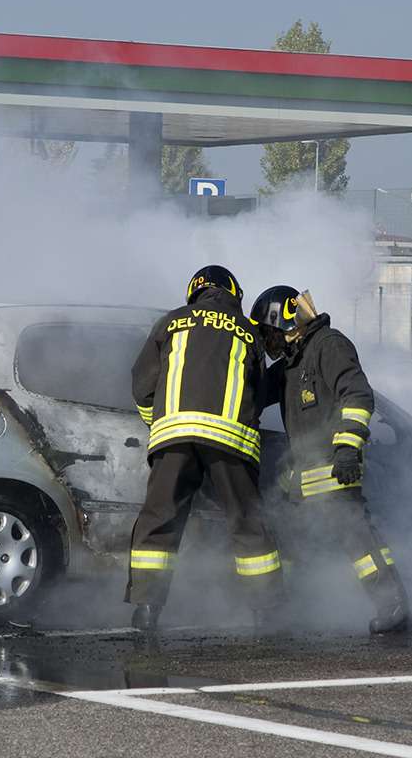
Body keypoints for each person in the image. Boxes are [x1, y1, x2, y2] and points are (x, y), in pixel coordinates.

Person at [127, 265, 283, 631]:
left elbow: (140, 384)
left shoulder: (170, 322)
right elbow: (257, 393)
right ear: (234, 294)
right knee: (247, 522)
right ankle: (266, 611)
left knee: (159, 521)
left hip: (174, 437)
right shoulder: (247, 331)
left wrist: (160, 421)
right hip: (230, 440)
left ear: (193, 292)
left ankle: (147, 610)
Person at [249, 285, 410, 634]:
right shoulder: (291, 364)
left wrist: (348, 447)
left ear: (284, 323)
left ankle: (392, 604)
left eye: (268, 332)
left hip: (335, 467)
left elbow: (357, 395)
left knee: (355, 538)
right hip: (301, 475)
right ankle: (284, 611)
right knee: (288, 541)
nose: (268, 341)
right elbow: (254, 396)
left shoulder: (329, 345)